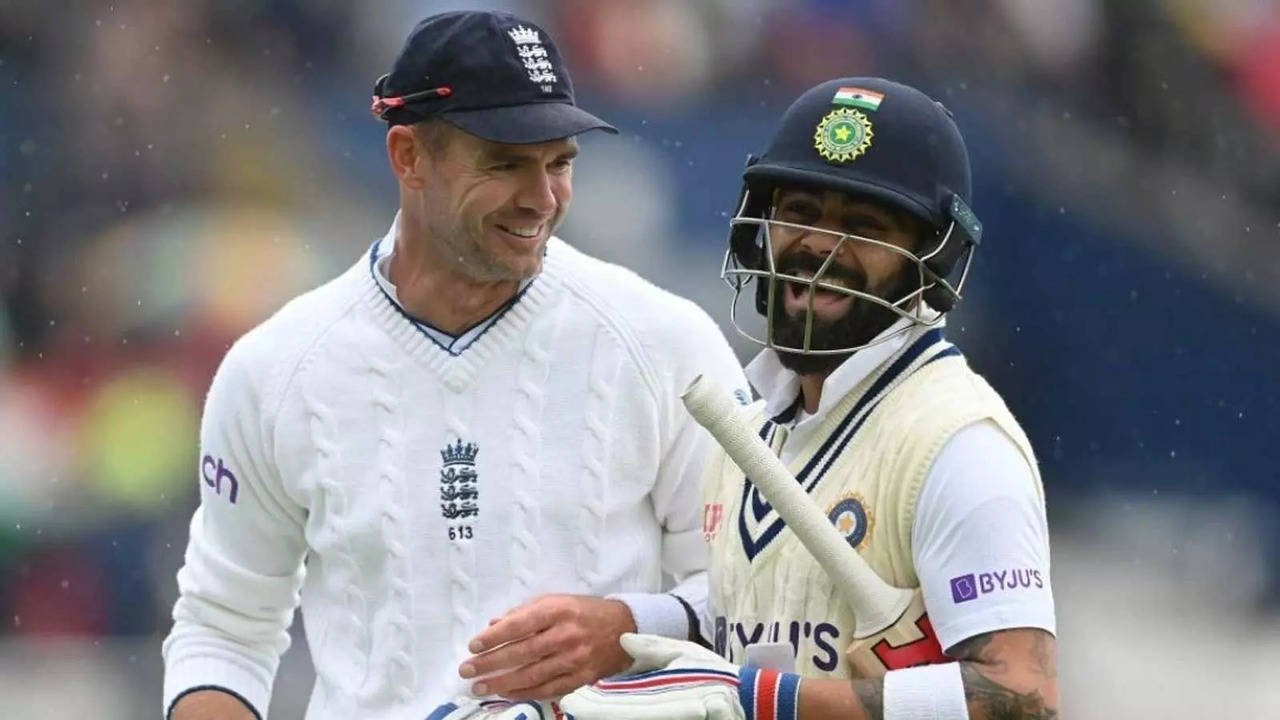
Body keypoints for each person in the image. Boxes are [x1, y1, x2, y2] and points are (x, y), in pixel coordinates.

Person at [161, 11, 749, 720]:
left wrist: (626, 626)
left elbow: (759, 597)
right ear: (408, 156)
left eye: (559, 162)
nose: (541, 198)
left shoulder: (666, 345)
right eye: (505, 163)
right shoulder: (275, 371)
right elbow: (225, 628)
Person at [561, 78, 1058, 720]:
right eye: (799, 213)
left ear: (931, 259)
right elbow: (759, 613)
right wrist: (622, 634)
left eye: (863, 224)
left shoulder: (958, 444)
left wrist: (763, 700)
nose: (820, 245)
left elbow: (1026, 700)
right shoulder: (746, 424)